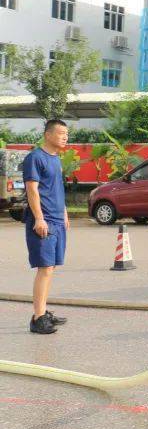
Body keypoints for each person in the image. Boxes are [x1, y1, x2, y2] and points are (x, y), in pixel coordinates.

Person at [22, 119, 70, 335]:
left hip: (57, 219)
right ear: (48, 135)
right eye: (61, 133)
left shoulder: (55, 159)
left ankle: (42, 311)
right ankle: (38, 318)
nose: (65, 137)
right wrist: (39, 218)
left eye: (66, 134)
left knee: (51, 268)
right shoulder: (35, 158)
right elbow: (32, 190)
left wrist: (65, 213)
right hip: (44, 220)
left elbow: (56, 188)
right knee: (45, 268)